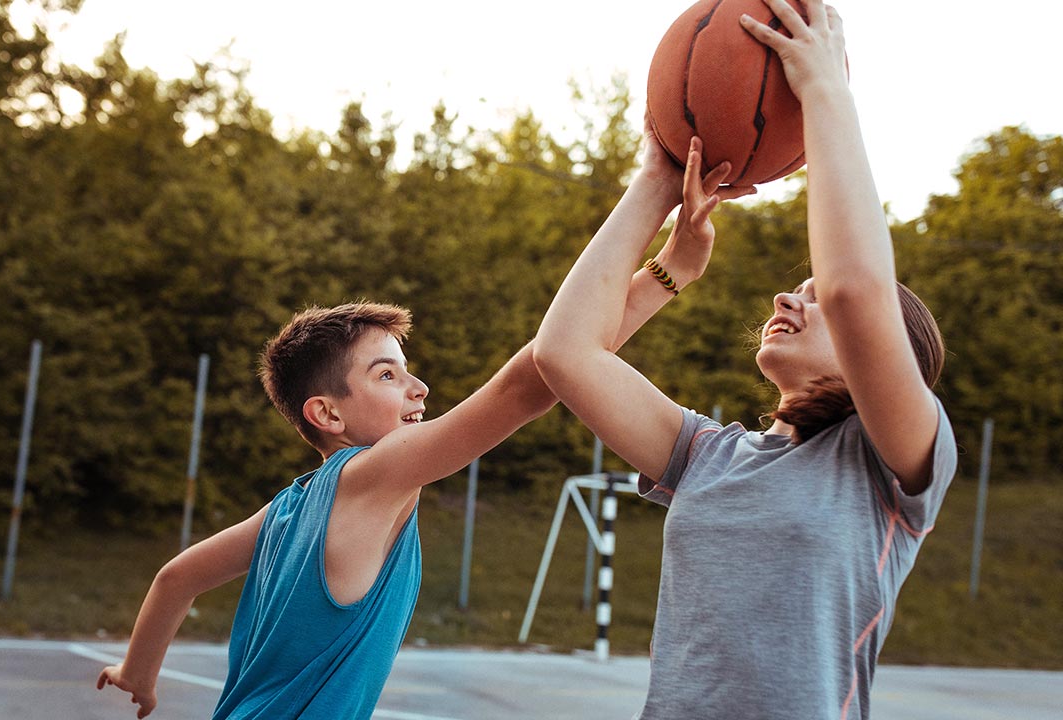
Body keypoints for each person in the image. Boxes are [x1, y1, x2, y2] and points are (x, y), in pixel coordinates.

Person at [533, 1, 957, 718]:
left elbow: (857, 291)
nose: (790, 301)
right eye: (796, 290)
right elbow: (564, 353)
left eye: (813, 298)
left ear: (890, 354)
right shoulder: (709, 456)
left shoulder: (896, 467)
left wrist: (824, 88)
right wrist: (659, 181)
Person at [95, 296, 652, 719]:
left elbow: (176, 578)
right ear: (328, 415)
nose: (420, 387)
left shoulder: (292, 505)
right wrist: (666, 271)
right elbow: (533, 381)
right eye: (387, 374)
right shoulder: (373, 476)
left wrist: (137, 673)